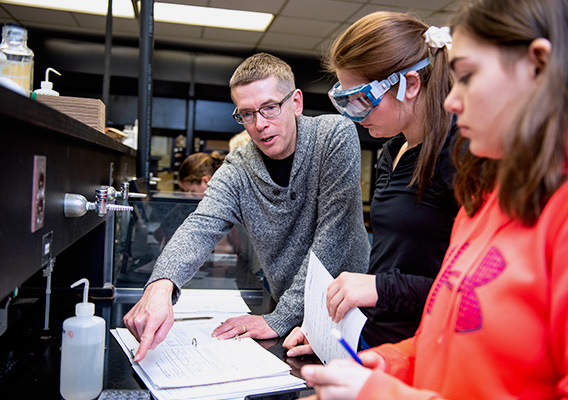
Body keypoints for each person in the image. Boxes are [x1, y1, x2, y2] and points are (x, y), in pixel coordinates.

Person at [300, 0, 568, 398]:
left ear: (538, 68)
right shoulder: (487, 206)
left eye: (468, 76)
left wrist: (386, 392)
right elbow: (451, 330)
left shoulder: (550, 214)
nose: (450, 102)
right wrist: (395, 364)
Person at [123, 52, 370, 362]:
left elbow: (333, 238)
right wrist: (161, 285)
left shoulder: (333, 136)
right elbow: (200, 226)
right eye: (247, 114)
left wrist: (279, 318)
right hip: (288, 320)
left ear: (296, 102)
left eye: (269, 108)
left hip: (353, 316)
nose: (260, 125)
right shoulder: (239, 167)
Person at [284, 11, 459, 356]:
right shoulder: (392, 148)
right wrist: (334, 331)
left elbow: (470, 293)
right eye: (344, 99)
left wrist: (380, 287)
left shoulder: (457, 155)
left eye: (362, 99)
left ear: (410, 84)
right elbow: (391, 262)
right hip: (372, 342)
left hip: (423, 352)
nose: (353, 114)